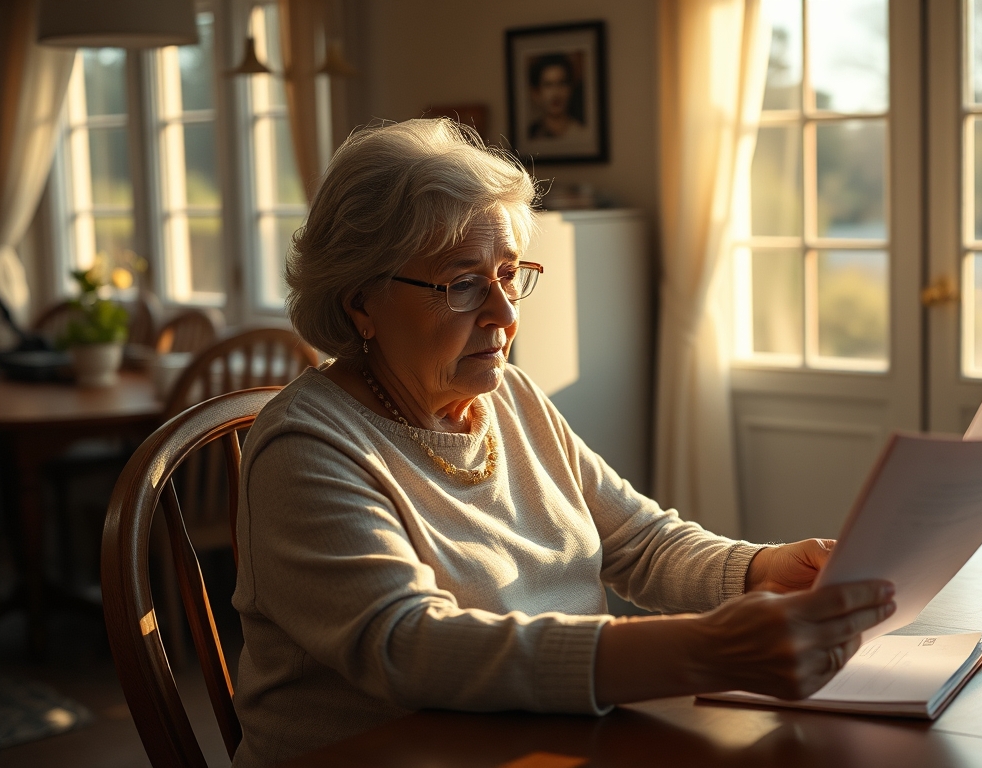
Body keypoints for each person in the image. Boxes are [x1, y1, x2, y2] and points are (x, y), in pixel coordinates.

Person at [230, 119, 895, 767]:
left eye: (510, 274)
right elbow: (410, 646)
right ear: (360, 303)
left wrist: (763, 568)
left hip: (547, 740)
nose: (506, 313)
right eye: (463, 284)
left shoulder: (510, 399)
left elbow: (640, 541)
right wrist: (700, 649)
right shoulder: (305, 448)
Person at [526, 53, 582, 140]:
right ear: (536, 93)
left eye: (562, 83)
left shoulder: (582, 134)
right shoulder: (531, 136)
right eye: (548, 85)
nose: (556, 93)